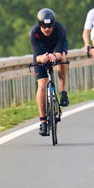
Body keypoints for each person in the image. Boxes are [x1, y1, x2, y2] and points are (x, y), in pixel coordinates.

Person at [30, 8, 69, 137]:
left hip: (56, 50)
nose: (47, 29)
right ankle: (43, 121)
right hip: (41, 52)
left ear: (53, 25)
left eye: (50, 26)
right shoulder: (34, 32)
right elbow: (36, 54)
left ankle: (63, 91)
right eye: (44, 26)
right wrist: (41, 58)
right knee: (42, 85)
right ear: (39, 25)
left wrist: (55, 56)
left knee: (62, 58)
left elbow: (59, 50)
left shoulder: (60, 29)